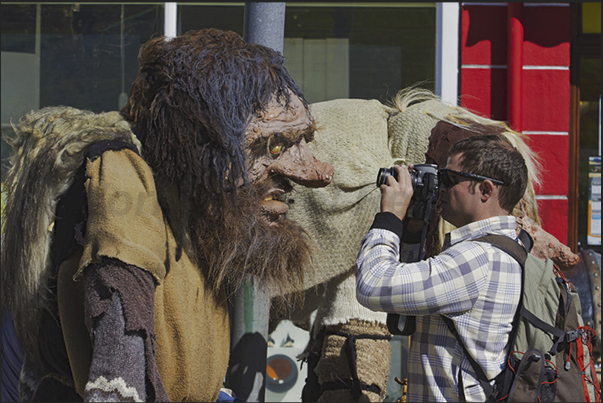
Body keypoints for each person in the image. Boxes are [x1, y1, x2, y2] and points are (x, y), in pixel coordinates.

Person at [1, 28, 333, 402]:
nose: (313, 174)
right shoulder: (123, 186)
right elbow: (116, 383)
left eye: (303, 140)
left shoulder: (199, 223)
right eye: (274, 145)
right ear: (199, 144)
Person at [356, 134, 528, 402]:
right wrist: (413, 229)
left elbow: (373, 284)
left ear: (485, 190)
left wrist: (389, 217)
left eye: (449, 179)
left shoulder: (476, 259)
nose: (441, 188)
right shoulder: (502, 250)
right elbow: (407, 297)